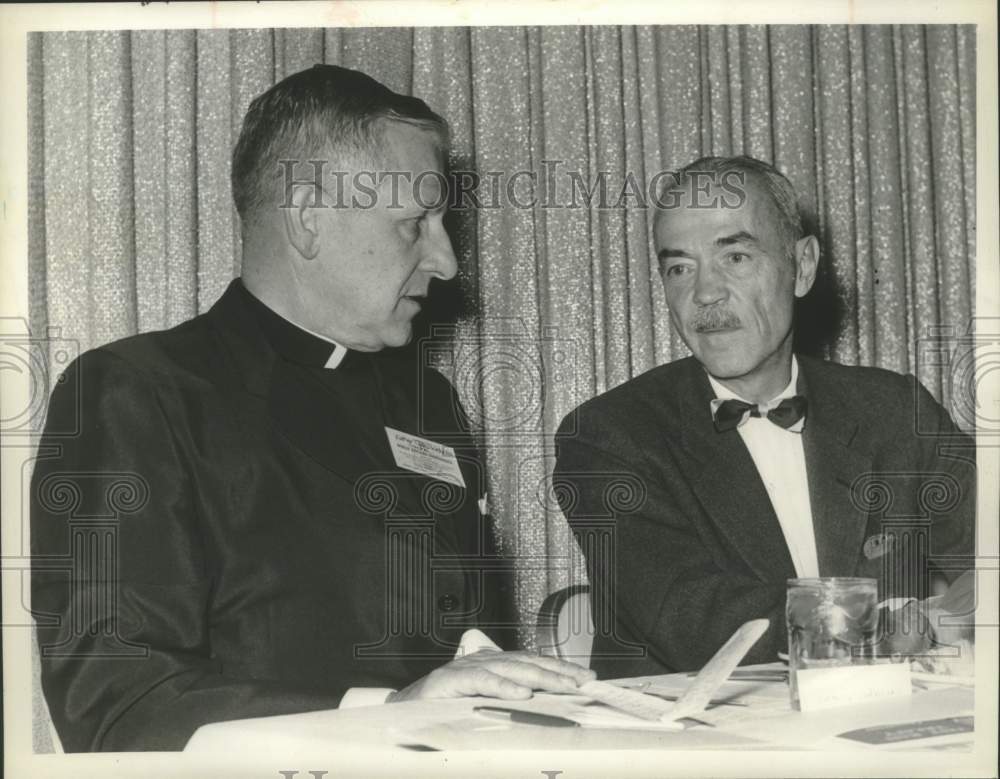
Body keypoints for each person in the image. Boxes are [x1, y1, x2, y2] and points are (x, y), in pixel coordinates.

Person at [31, 64, 593, 753]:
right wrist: (389, 712)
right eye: (415, 223)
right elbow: (117, 706)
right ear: (305, 219)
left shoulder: (428, 402)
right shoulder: (135, 392)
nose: (447, 261)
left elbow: (468, 650)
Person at [553, 156, 976, 679]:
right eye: (679, 267)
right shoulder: (607, 437)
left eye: (735, 256)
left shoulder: (894, 410)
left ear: (802, 266)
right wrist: (916, 627)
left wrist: (964, 609)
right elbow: (708, 628)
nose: (704, 293)